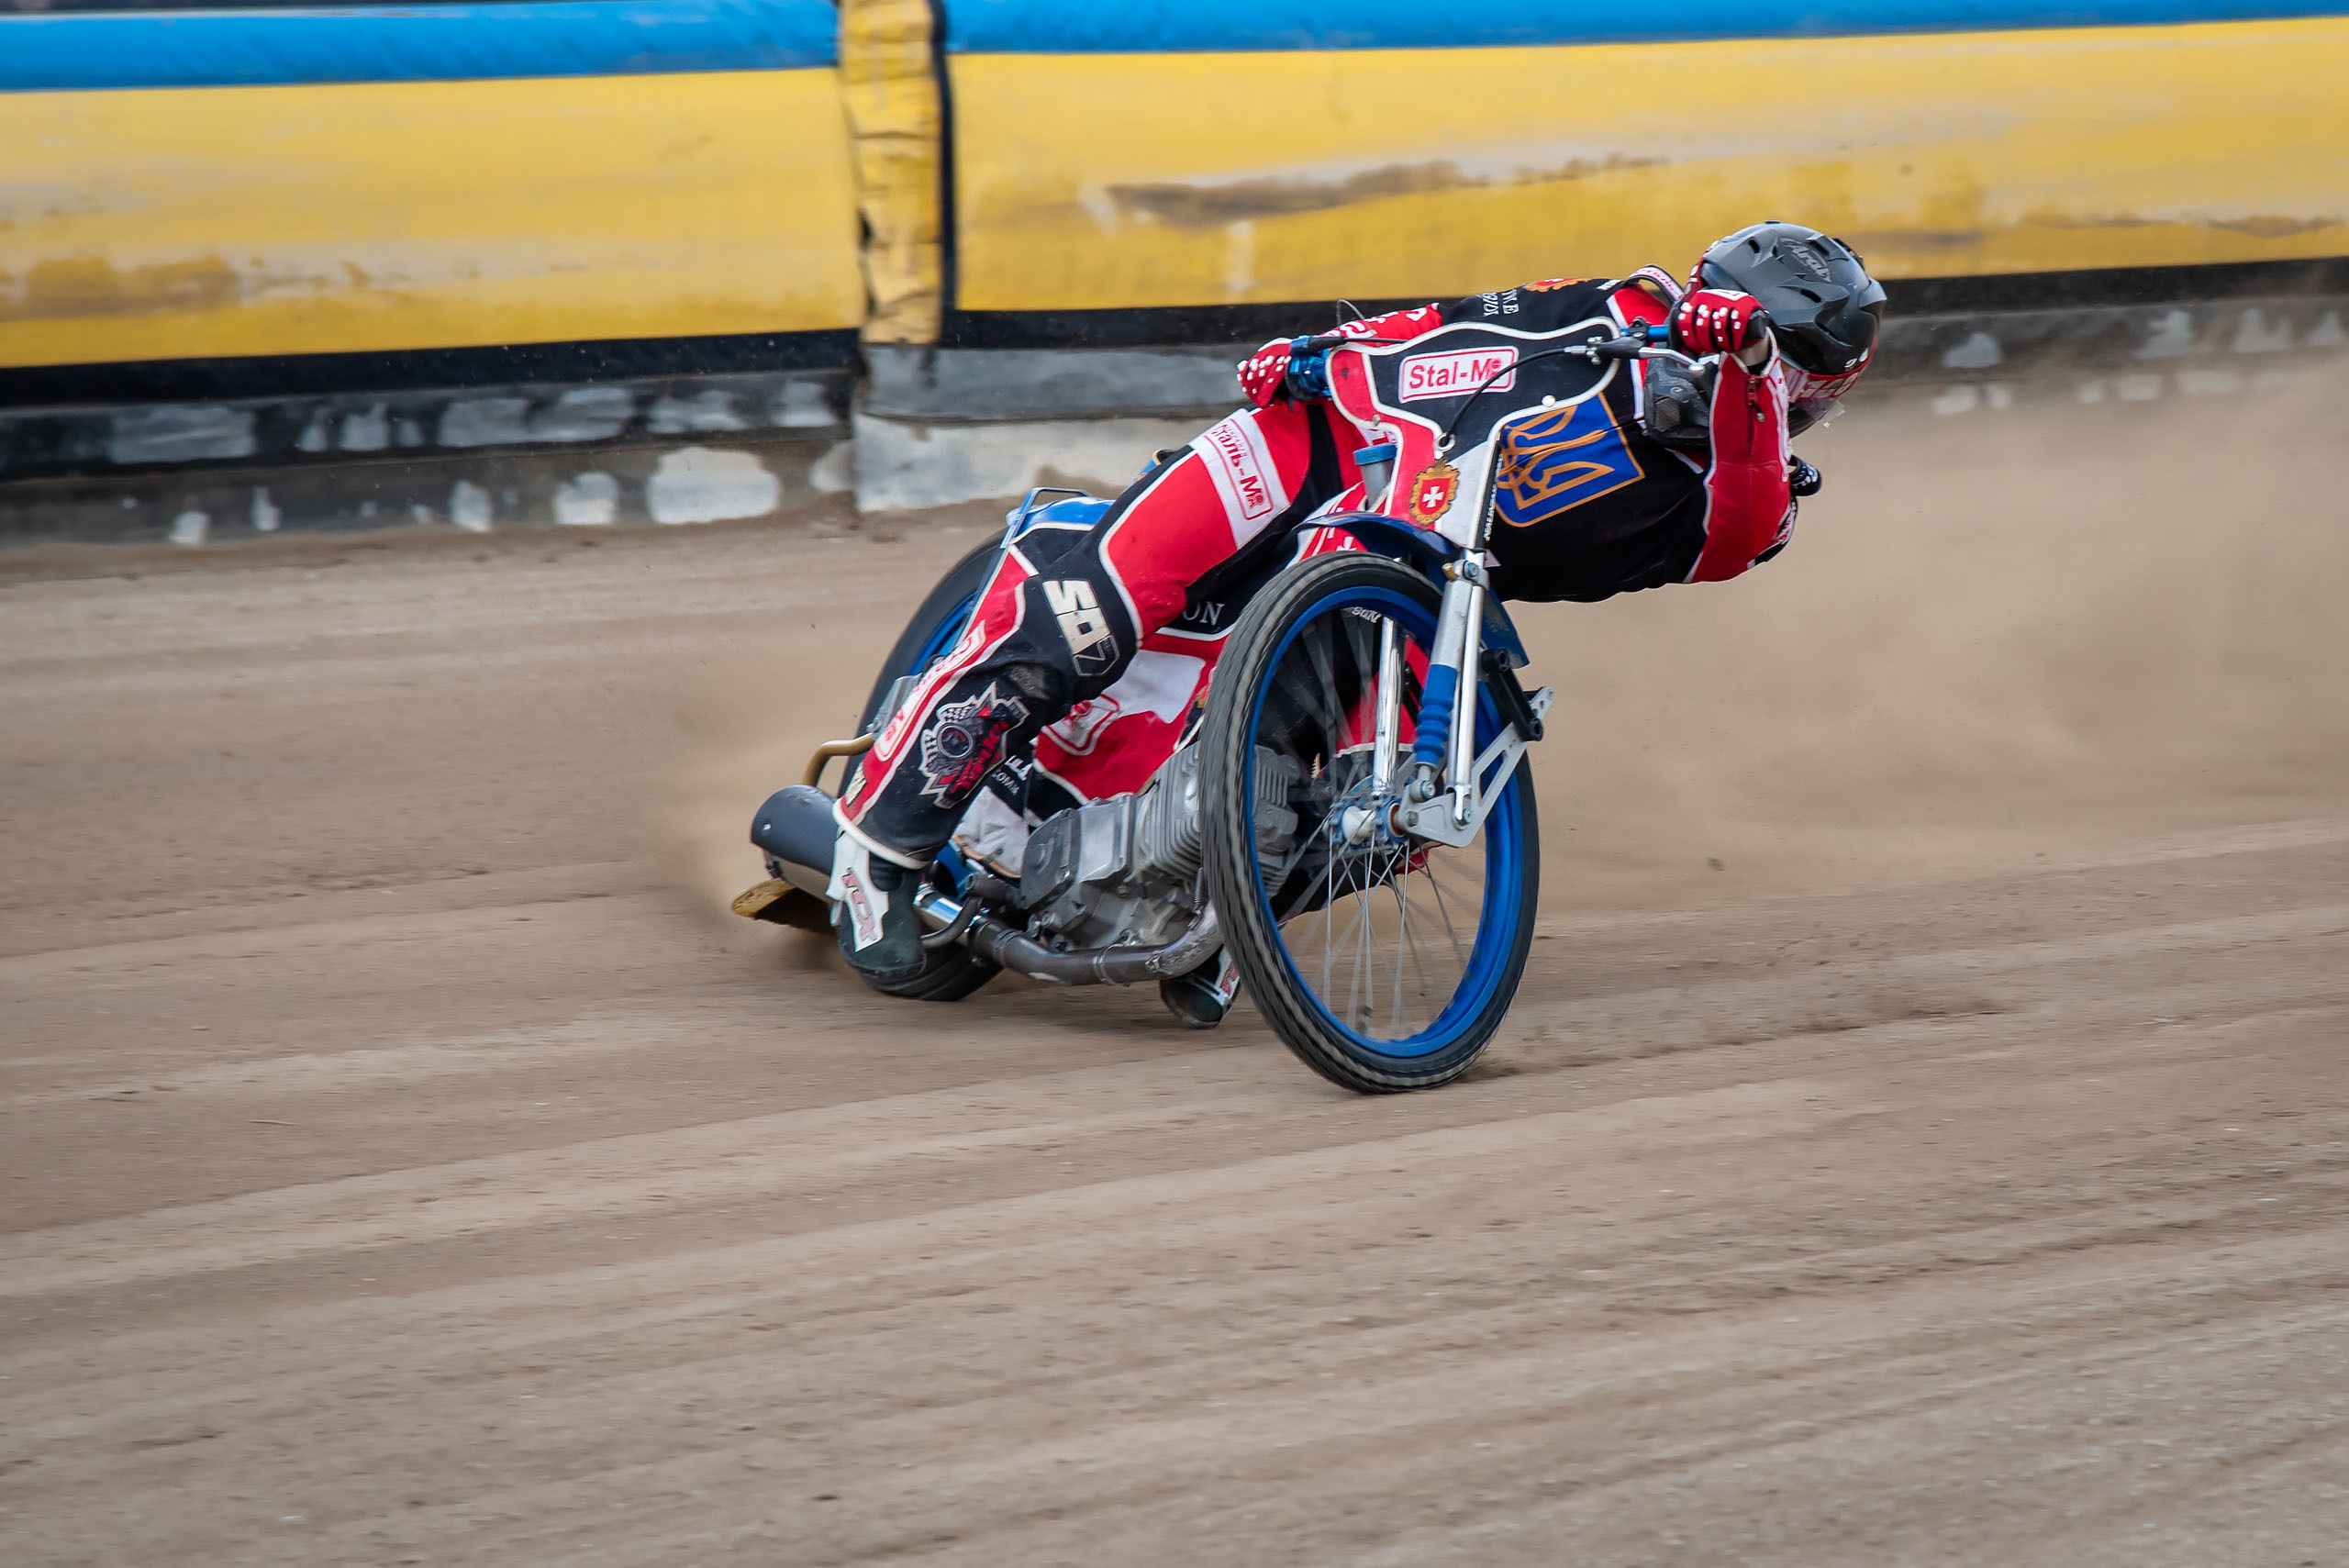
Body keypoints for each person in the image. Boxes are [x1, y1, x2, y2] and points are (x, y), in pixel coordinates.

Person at [829, 219, 1885, 999]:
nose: (1803, 404)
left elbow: (1734, 522)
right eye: (1800, 376)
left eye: (1817, 392)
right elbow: (1463, 325)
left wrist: (1747, 378)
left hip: (1406, 572)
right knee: (1094, 608)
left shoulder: (1765, 494)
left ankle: (1220, 915)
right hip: (1320, 447)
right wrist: (1319, 355)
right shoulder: (1622, 308)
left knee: (1399, 799)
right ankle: (882, 843)